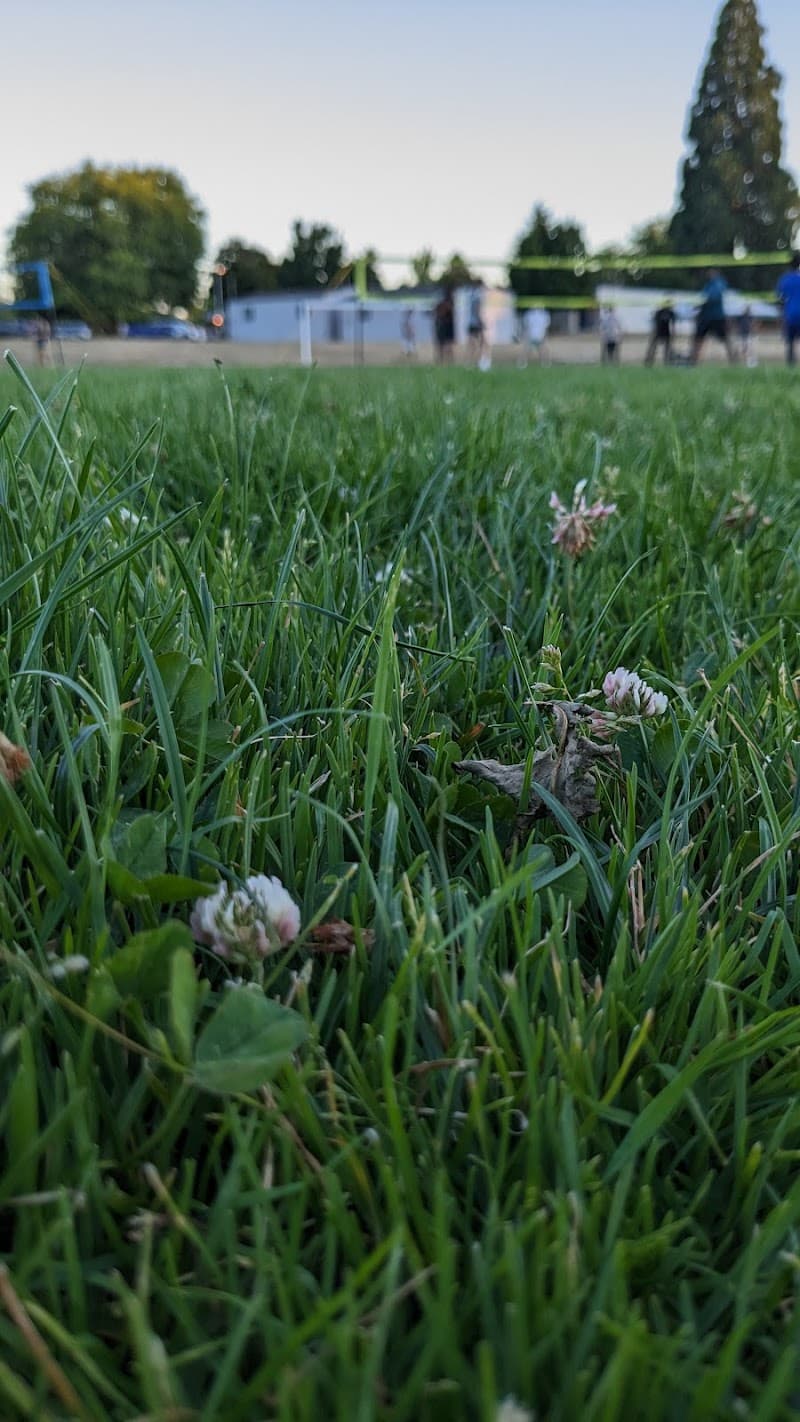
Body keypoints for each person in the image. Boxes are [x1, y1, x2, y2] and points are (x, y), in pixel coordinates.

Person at [691, 269, 736, 364]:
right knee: (698, 339)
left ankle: (733, 360)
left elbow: (714, 297)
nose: (709, 274)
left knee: (726, 339)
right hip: (705, 317)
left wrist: (702, 303)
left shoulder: (719, 283)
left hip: (716, 317)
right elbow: (703, 297)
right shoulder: (708, 285)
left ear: (716, 273)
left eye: (711, 272)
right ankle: (693, 361)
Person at [776, 252, 800, 365]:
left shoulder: (784, 279)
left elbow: (780, 299)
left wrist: (781, 316)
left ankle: (791, 365)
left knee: (790, 343)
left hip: (790, 315)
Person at [433, 288, 455, 365]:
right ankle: (442, 360)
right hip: (443, 326)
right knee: (442, 345)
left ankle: (446, 360)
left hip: (445, 326)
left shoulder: (448, 304)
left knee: (446, 345)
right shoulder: (445, 304)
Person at [467, 285, 486, 364]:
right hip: (476, 323)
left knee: (472, 344)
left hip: (471, 323)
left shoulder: (471, 296)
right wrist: (481, 322)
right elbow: (477, 311)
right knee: (481, 343)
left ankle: (470, 361)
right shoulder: (478, 297)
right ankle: (479, 360)